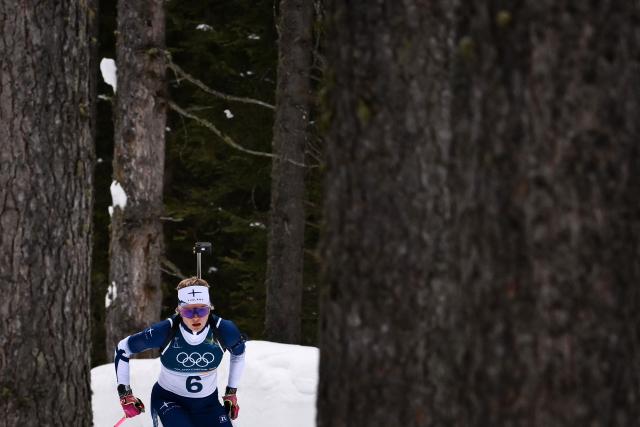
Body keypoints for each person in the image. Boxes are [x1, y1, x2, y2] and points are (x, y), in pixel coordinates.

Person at [113, 277, 246, 427]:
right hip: (169, 401)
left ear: (210, 308)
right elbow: (123, 348)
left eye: (202, 309)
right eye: (189, 311)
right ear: (179, 311)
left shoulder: (225, 330)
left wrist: (231, 393)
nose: (196, 317)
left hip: (208, 404)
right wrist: (125, 394)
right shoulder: (164, 331)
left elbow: (238, 355)